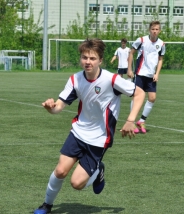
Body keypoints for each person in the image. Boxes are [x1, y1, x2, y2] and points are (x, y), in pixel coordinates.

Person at [34, 38, 145, 214]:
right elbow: (59, 107)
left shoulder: (112, 79)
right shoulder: (75, 79)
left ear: (100, 60)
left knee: (76, 184)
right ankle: (46, 205)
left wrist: (131, 120)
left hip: (100, 139)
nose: (88, 62)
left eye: (92, 58)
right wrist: (50, 107)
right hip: (78, 132)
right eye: (85, 57)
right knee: (61, 171)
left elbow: (139, 93)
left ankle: (98, 169)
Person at [127, 20, 165, 134]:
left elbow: (160, 59)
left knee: (152, 98)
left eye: (157, 29)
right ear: (149, 30)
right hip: (139, 73)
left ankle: (141, 121)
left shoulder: (162, 44)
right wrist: (129, 69)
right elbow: (131, 53)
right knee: (136, 97)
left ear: (159, 31)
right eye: (153, 29)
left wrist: (157, 73)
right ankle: (132, 122)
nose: (154, 31)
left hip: (151, 75)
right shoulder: (142, 40)